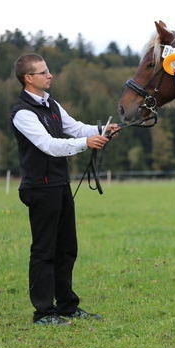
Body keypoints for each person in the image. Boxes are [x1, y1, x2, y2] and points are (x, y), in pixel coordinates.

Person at [10, 53, 118, 325]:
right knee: (44, 250)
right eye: (44, 72)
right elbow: (49, 145)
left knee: (67, 248)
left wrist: (102, 129)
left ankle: (67, 306)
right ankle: (43, 312)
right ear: (28, 78)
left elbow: (74, 128)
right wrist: (87, 143)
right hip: (39, 188)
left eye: (48, 71)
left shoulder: (53, 105)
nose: (50, 75)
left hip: (59, 185)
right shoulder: (23, 113)